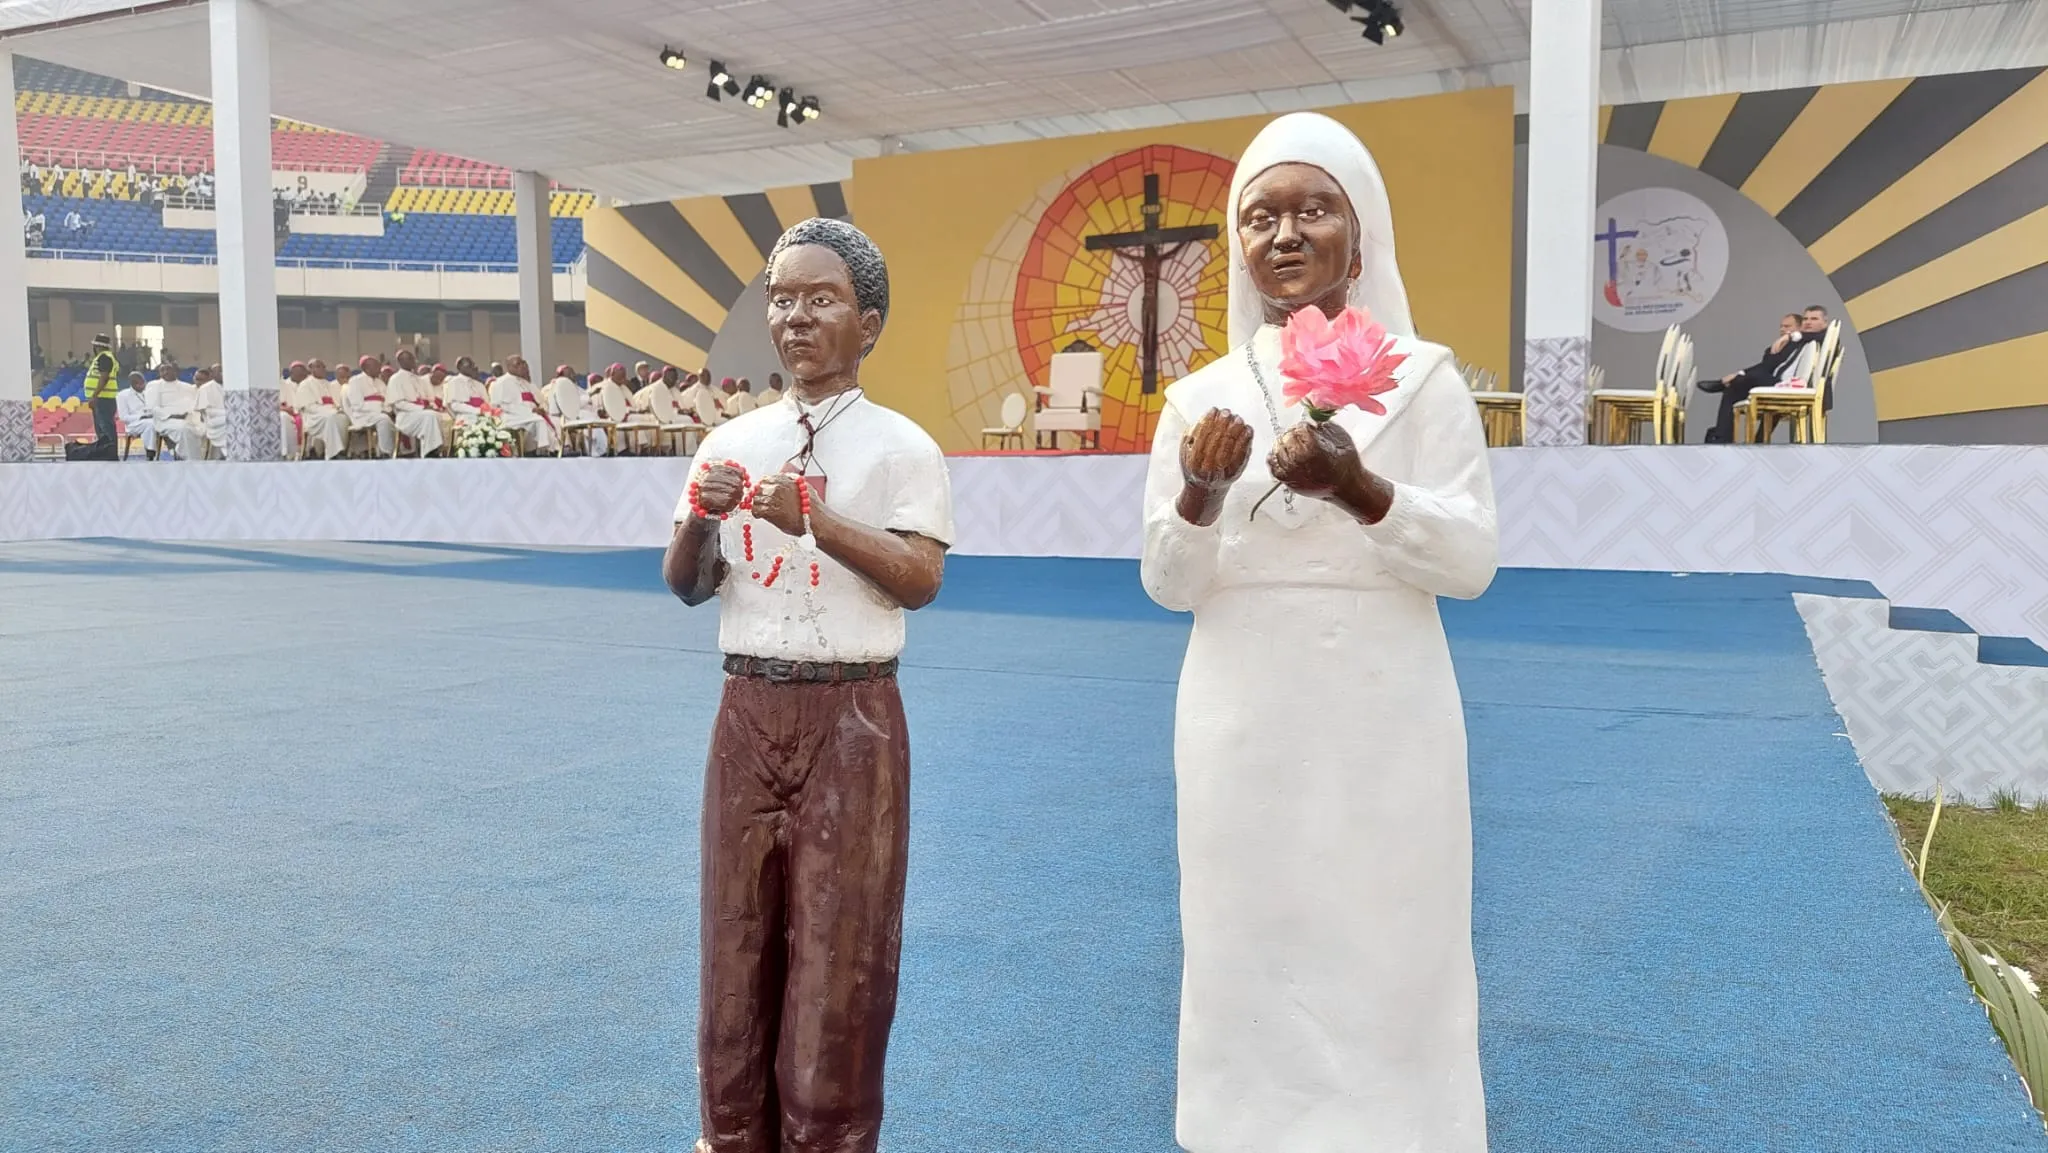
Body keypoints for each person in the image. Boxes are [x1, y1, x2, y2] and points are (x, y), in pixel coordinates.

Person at [1139, 112, 1496, 1153]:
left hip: (1385, 702)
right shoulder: (1195, 396)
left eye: (1312, 209)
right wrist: (1200, 492)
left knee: (1392, 931)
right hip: (1239, 706)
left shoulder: (1423, 378)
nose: (1283, 234)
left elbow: (1469, 562)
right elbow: (1168, 583)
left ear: (1360, 230)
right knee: (1242, 933)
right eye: (1259, 216)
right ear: (1237, 244)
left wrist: (1361, 489)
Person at [663, 217, 952, 1153]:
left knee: (842, 957)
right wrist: (700, 526)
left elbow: (918, 578)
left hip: (852, 715)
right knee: (735, 941)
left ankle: (829, 1139)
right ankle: (729, 1136)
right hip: (745, 707)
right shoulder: (731, 439)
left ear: (868, 323)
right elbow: (685, 583)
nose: (793, 318)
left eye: (819, 299)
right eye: (781, 299)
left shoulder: (901, 447)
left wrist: (818, 520)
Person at [1697, 305, 1831, 442]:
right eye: (1806, 319)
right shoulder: (1791, 343)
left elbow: (1825, 334)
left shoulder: (1824, 337)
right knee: (1733, 389)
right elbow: (1766, 367)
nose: (1808, 322)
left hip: (1795, 385)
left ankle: (1723, 385)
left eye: (1814, 319)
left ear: (1824, 323)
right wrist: (1740, 373)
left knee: (1751, 377)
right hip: (1780, 383)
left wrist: (1793, 336)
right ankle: (1723, 438)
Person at [489, 355, 557, 454]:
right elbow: (501, 406)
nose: (522, 366)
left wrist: (541, 409)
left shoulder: (526, 383)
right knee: (538, 421)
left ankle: (556, 448)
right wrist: (530, 411)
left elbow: (541, 401)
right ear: (509, 367)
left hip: (528, 415)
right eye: (518, 364)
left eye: (522, 363)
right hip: (510, 416)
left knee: (553, 421)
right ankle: (543, 451)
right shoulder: (501, 383)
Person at [386, 348, 448, 457]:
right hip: (405, 416)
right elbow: (399, 404)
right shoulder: (395, 379)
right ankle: (430, 452)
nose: (414, 362)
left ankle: (434, 448)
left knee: (436, 415)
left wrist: (430, 406)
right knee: (430, 416)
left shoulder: (418, 379)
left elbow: (427, 399)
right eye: (411, 359)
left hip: (420, 414)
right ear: (401, 361)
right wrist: (422, 409)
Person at [342, 359, 397, 457]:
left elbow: (387, 401)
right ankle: (385, 452)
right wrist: (381, 410)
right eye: (376, 366)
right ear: (366, 368)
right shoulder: (355, 381)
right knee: (383, 419)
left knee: (391, 418)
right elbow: (357, 405)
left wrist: (387, 410)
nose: (379, 369)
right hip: (363, 415)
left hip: (380, 413)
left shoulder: (380, 382)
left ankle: (392, 451)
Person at [295, 360, 350, 460]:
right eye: (319, 367)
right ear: (311, 369)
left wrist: (337, 409)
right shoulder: (305, 384)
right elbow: (308, 407)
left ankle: (343, 450)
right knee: (332, 417)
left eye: (324, 367)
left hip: (330, 413)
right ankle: (333, 453)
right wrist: (328, 410)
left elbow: (336, 403)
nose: (322, 369)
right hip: (313, 417)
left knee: (344, 418)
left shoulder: (329, 384)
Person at [81, 334, 121, 457]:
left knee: (105, 428)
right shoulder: (104, 357)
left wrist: (94, 396)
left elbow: (104, 378)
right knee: (101, 428)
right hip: (102, 398)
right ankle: (106, 452)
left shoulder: (104, 357)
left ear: (97, 346)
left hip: (103, 398)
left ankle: (110, 453)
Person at [116, 371, 152, 459]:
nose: (144, 385)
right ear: (133, 384)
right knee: (150, 425)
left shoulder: (148, 393)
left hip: (150, 420)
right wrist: (141, 417)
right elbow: (123, 417)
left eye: (144, 382)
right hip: (133, 424)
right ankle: (150, 452)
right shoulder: (122, 395)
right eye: (141, 383)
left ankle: (174, 451)